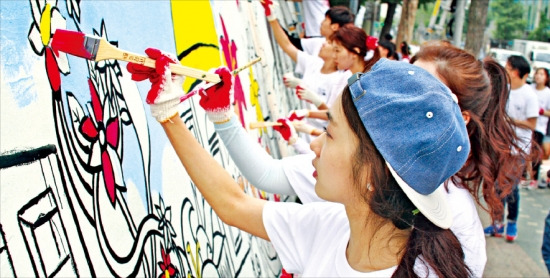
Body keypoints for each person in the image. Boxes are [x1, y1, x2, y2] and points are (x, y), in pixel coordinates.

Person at [128, 51, 472, 276]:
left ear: (372, 172)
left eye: (331, 134)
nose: (315, 143)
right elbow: (233, 205)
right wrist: (169, 114)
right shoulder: (334, 225)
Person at [484, 55, 539, 242]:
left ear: (516, 72)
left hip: (518, 150)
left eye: (507, 68)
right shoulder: (504, 91)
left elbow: (532, 124)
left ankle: (512, 222)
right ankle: (497, 222)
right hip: (500, 146)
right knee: (495, 187)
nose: (505, 71)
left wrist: (508, 121)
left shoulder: (529, 95)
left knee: (510, 188)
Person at [262, 0, 355, 57]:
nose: (322, 22)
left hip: (315, 34)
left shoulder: (322, 45)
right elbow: (290, 44)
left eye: (325, 20)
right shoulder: (319, 43)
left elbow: (290, 44)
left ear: (335, 26)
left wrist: (272, 18)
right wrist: (272, 18)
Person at [532, 67, 550, 188]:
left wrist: (541, 111)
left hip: (540, 126)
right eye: (537, 73)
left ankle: (534, 178)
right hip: (525, 125)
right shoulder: (529, 88)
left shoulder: (548, 92)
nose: (538, 76)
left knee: (536, 153)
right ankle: (522, 176)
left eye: (541, 74)